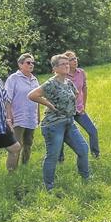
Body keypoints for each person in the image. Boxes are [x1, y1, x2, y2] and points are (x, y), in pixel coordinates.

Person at [28, 54, 91, 191]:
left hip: (69, 122)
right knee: (53, 155)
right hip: (53, 125)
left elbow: (76, 93)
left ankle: (86, 178)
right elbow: (32, 95)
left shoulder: (68, 82)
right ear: (55, 68)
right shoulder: (51, 83)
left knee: (83, 149)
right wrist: (49, 104)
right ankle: (49, 186)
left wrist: (69, 107)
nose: (67, 65)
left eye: (67, 63)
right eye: (63, 64)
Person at [4, 53, 39, 171]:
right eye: (28, 62)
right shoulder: (13, 78)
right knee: (16, 145)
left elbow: (37, 98)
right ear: (20, 64)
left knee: (28, 143)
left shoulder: (34, 79)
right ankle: (12, 171)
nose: (31, 65)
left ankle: (24, 167)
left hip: (31, 117)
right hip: (17, 117)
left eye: (33, 63)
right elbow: (7, 99)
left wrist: (38, 116)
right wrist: (9, 116)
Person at [64, 51, 100, 159]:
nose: (75, 61)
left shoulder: (81, 73)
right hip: (66, 112)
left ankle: (96, 155)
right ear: (66, 63)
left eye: (75, 58)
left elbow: (84, 88)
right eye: (72, 59)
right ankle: (60, 159)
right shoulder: (63, 75)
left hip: (79, 110)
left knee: (93, 131)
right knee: (61, 135)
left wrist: (83, 105)